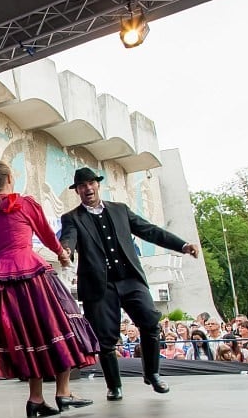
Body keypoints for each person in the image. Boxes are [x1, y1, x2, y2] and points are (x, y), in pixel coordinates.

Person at [0, 161, 97, 418]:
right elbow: (46, 235)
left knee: (27, 337)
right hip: (32, 272)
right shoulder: (27, 204)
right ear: (10, 177)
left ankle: (35, 399)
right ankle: (63, 392)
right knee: (58, 326)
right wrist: (62, 255)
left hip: (1, 282)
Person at [59, 167, 199, 401]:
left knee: (150, 322)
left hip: (130, 278)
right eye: (82, 186)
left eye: (91, 183)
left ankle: (152, 373)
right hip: (100, 286)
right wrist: (65, 251)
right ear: (78, 191)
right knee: (105, 339)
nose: (87, 189)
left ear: (98, 185)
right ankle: (114, 386)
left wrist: (182, 245)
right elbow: (68, 239)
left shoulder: (119, 210)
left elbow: (150, 231)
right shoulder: (72, 218)